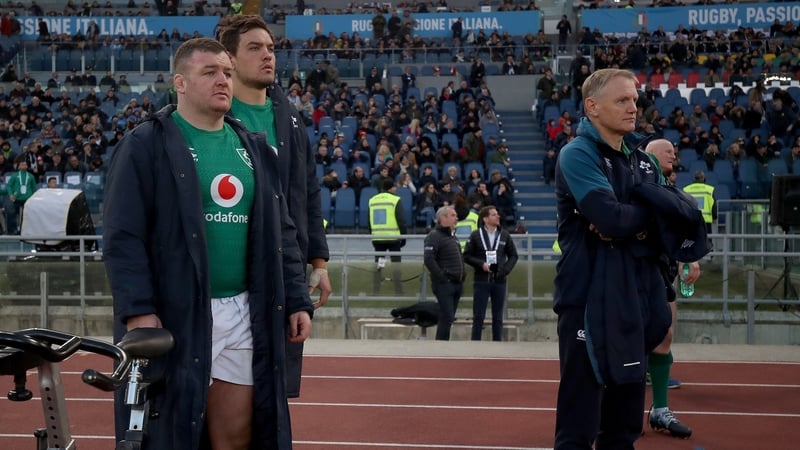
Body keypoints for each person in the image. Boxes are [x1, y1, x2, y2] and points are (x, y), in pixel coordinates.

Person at [102, 38, 313, 450]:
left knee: (234, 436)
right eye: (210, 73)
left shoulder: (253, 148)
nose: (223, 81)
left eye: (228, 73)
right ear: (179, 82)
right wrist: (138, 313)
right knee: (172, 434)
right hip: (175, 312)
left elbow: (281, 232)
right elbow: (122, 237)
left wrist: (298, 297)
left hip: (241, 312)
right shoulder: (145, 145)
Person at [552, 68, 673, 450]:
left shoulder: (644, 160)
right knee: (579, 422)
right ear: (592, 107)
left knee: (623, 425)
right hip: (586, 296)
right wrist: (643, 219)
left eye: (634, 100)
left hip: (634, 295)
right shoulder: (576, 154)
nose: (633, 107)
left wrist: (634, 224)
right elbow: (608, 217)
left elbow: (673, 220)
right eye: (622, 100)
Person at [218, 15, 331, 399]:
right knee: (225, 394)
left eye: (270, 48)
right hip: (231, 272)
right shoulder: (214, 115)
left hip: (285, 271)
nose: (268, 56)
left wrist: (318, 262)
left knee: (274, 394)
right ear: (229, 60)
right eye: (254, 48)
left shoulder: (291, 119)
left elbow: (307, 194)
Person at [645, 138, 700, 439]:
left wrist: (690, 258)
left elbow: (682, 233)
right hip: (636, 273)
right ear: (650, 156)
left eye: (675, 152)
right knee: (628, 343)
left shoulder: (671, 192)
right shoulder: (640, 187)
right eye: (668, 151)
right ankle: (617, 412)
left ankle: (660, 410)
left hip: (663, 273)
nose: (674, 155)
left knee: (665, 335)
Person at [463, 206, 519, 341]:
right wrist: (481, 264)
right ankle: (475, 343)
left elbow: (513, 255)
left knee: (498, 316)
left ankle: (497, 343)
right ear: (485, 219)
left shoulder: (504, 235)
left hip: (499, 280)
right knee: (478, 315)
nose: (498, 216)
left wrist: (505, 270)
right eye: (494, 215)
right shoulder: (476, 235)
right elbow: (466, 256)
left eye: (497, 214)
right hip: (481, 280)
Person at [423, 206, 465, 341]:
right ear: (443, 218)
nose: (456, 218)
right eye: (453, 215)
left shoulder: (453, 237)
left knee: (449, 317)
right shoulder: (434, 236)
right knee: (446, 316)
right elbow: (429, 259)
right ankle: (441, 346)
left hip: (456, 283)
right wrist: (441, 276)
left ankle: (444, 344)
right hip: (444, 284)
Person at [369, 178, 407, 295]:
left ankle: (376, 290)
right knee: (396, 265)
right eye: (395, 187)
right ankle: (398, 290)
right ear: (391, 188)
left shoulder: (372, 200)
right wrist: (403, 236)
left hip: (378, 239)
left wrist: (373, 234)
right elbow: (401, 220)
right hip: (393, 239)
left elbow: (369, 220)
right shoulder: (395, 200)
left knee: (380, 264)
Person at [5, 156, 37, 235]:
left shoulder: (31, 176)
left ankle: (27, 230)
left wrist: (33, 198)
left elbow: (34, 188)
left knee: (29, 214)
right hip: (16, 198)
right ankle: (12, 230)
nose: (24, 166)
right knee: (10, 212)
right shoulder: (15, 176)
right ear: (19, 166)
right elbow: (9, 186)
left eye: (25, 165)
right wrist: (11, 194)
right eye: (22, 165)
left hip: (28, 199)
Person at [683, 170, 717, 235]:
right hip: (705, 221)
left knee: (693, 242)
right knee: (707, 242)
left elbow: (684, 205)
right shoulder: (709, 189)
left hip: (691, 220)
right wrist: (714, 217)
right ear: (702, 178)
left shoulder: (686, 189)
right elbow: (713, 205)